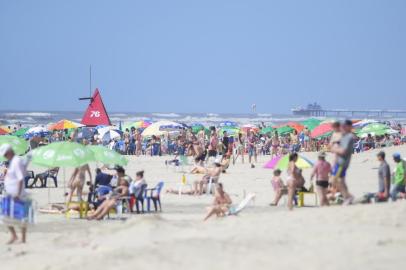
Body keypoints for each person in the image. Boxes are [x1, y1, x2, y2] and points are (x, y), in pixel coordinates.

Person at [0, 144, 28, 244]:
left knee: (20, 217)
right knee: (4, 215)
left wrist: (18, 193)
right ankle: (15, 236)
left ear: (9, 152)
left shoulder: (16, 161)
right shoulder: (13, 161)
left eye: (5, 154)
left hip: (17, 194)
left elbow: (20, 178)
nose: (5, 157)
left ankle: (22, 238)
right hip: (10, 194)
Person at [331, 120, 355, 205]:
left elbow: (343, 151)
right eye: (342, 126)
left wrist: (334, 149)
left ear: (349, 127)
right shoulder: (343, 136)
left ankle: (347, 197)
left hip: (343, 162)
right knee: (338, 180)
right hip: (339, 161)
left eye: (344, 126)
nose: (342, 128)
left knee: (337, 180)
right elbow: (333, 147)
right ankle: (348, 196)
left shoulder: (349, 137)